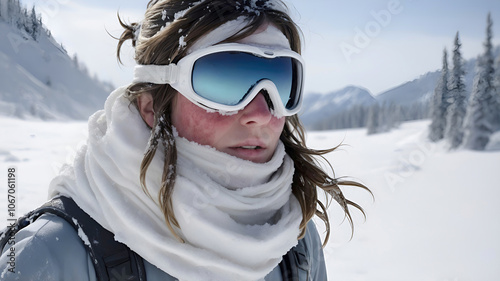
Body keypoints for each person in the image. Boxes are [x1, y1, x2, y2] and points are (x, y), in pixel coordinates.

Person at [0, 0, 369, 280]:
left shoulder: (293, 242)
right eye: (226, 80)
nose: (262, 112)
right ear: (151, 106)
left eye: (280, 82)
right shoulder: (46, 257)